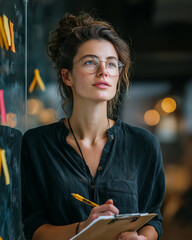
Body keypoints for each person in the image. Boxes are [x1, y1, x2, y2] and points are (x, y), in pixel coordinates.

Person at [21, 12, 165, 240]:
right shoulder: (37, 143)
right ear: (67, 76)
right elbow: (33, 227)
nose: (103, 71)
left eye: (111, 64)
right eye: (90, 62)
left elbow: (154, 218)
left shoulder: (143, 144)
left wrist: (143, 238)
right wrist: (84, 227)